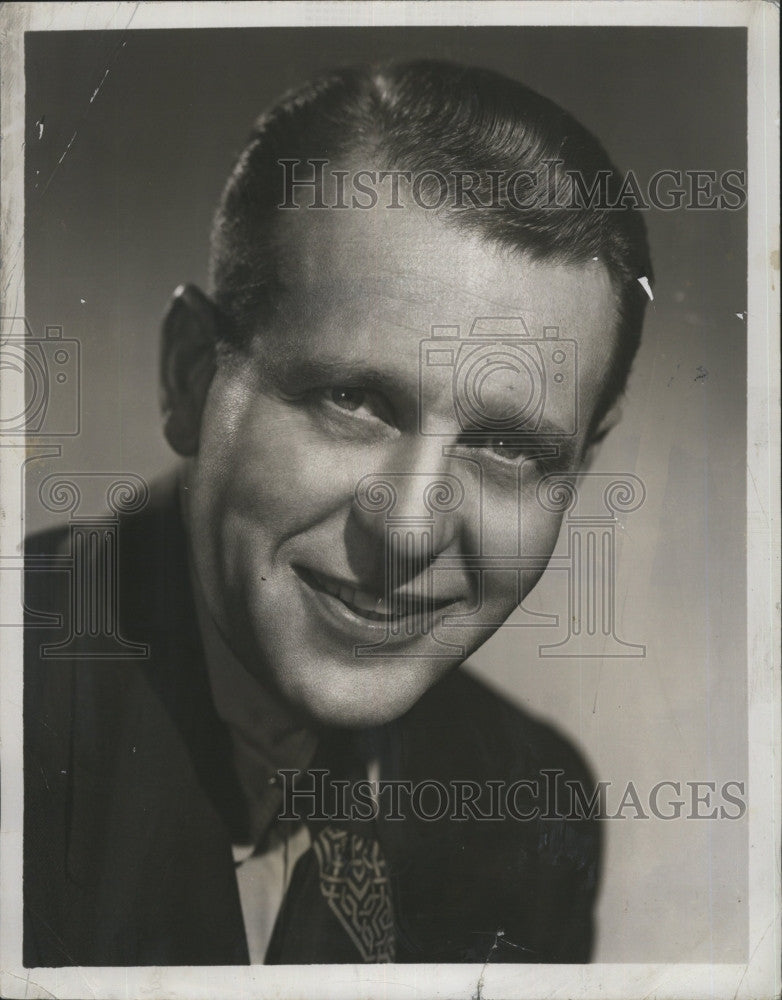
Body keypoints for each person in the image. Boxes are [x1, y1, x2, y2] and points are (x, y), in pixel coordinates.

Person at [23, 60, 652, 966]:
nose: (408, 532)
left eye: (510, 448)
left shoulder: (528, 804)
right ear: (193, 377)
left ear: (579, 469)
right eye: (353, 399)